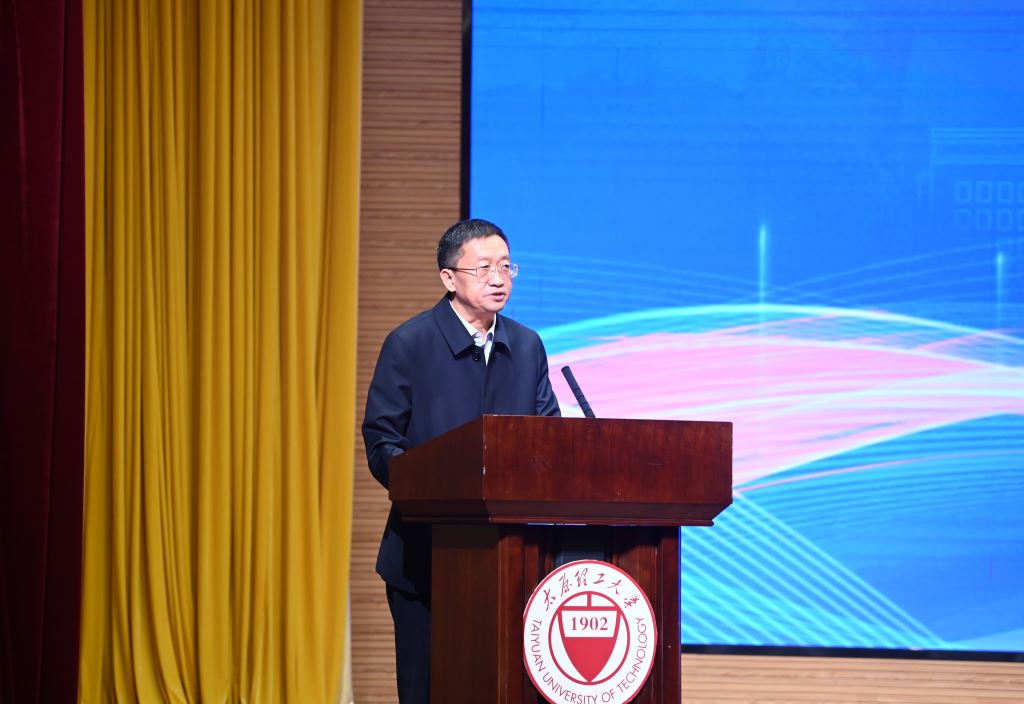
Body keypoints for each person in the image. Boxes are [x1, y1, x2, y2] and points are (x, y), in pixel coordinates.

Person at [362, 218, 561, 703]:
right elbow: (383, 442)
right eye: (484, 268)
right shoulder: (409, 344)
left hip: (510, 556)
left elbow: (548, 437)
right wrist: (430, 489)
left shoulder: (527, 345)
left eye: (506, 267)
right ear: (449, 277)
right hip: (425, 555)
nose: (499, 279)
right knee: (427, 689)